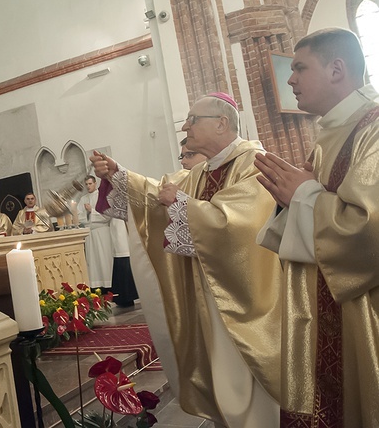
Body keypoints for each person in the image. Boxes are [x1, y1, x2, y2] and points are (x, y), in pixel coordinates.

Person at [92, 92, 282, 428]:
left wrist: (183, 204)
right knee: (219, 370)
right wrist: (119, 174)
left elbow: (243, 224)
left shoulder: (252, 162)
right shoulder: (201, 171)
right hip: (207, 295)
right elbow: (156, 194)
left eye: (192, 120)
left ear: (222, 123)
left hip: (242, 297)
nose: (184, 127)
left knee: (242, 371)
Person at [255, 28, 379, 427]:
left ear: (337, 69)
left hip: (367, 312)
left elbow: (367, 228)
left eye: (299, 67)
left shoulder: (373, 128)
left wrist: (305, 196)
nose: (289, 79)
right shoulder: (330, 135)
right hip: (334, 311)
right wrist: (294, 199)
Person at [77, 176, 114, 290]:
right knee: (93, 261)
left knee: (104, 258)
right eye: (86, 184)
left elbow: (107, 216)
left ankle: (108, 285)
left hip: (102, 232)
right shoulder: (83, 199)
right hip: (90, 233)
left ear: (95, 183)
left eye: (90, 183)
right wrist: (87, 215)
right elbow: (78, 216)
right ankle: (96, 285)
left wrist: (91, 211)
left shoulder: (101, 196)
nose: (88, 186)